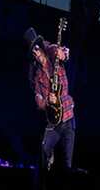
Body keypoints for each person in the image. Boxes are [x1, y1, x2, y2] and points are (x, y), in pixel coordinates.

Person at [24, 27, 75, 170]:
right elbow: (38, 100)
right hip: (53, 121)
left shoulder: (52, 53)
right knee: (43, 153)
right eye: (33, 52)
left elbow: (63, 51)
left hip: (68, 116)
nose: (37, 54)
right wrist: (47, 102)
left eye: (37, 49)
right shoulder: (36, 76)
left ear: (41, 47)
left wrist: (63, 54)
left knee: (67, 163)